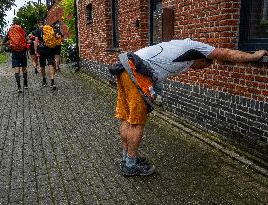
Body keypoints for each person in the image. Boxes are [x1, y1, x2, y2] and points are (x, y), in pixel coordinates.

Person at [113, 38, 268, 176]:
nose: (198, 70)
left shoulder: (181, 51)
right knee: (136, 122)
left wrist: (154, 93)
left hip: (125, 67)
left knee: (127, 118)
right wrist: (254, 56)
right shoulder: (196, 47)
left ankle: (128, 158)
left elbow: (157, 72)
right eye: (203, 66)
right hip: (135, 70)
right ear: (203, 58)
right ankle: (130, 166)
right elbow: (225, 53)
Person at [3, 20, 28, 93]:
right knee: (24, 68)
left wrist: (5, 43)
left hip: (14, 52)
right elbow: (25, 39)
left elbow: (5, 40)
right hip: (23, 51)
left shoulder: (10, 30)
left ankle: (19, 87)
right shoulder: (22, 30)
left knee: (17, 69)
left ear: (13, 24)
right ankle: (25, 84)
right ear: (19, 24)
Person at [34, 21, 57, 90]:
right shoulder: (49, 28)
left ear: (38, 24)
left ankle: (44, 80)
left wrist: (35, 51)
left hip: (42, 50)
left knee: (42, 65)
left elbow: (36, 41)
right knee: (50, 65)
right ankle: (52, 82)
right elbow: (54, 38)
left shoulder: (37, 30)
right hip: (50, 49)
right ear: (44, 24)